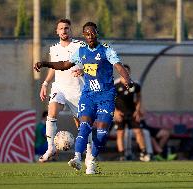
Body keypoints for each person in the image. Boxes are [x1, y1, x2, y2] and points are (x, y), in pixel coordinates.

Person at [34, 21, 133, 174]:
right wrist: (45, 64)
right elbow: (65, 64)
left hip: (105, 96)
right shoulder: (80, 51)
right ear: (84, 36)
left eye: (92, 32)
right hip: (88, 95)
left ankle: (91, 160)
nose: (90, 36)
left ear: (96, 33)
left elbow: (118, 66)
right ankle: (77, 158)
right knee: (84, 126)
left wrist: (126, 78)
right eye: (87, 34)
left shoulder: (106, 50)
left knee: (101, 132)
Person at [38, 19, 93, 164]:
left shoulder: (79, 46)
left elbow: (91, 62)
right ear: (57, 31)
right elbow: (53, 68)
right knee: (52, 111)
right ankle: (51, 148)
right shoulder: (54, 48)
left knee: (82, 125)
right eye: (61, 28)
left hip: (77, 90)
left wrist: (83, 70)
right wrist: (45, 83)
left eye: (66, 28)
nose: (64, 31)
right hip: (59, 87)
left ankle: (87, 152)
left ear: (70, 30)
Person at [113, 64, 150, 162]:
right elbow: (109, 99)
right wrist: (115, 112)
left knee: (138, 131)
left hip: (132, 113)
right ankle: (122, 155)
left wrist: (138, 110)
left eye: (127, 71)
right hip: (120, 114)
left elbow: (138, 97)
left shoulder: (135, 85)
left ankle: (144, 153)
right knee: (120, 133)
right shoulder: (115, 86)